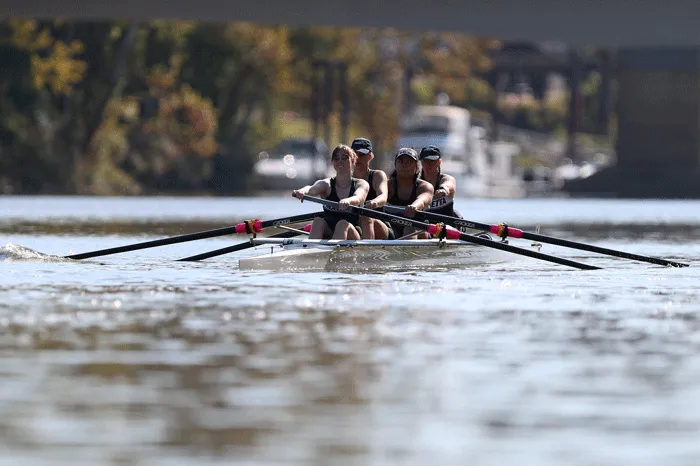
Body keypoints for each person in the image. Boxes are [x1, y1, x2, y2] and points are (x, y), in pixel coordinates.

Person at [292, 144, 369, 240]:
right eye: (336, 158)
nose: (340, 161)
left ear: (353, 161)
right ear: (333, 163)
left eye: (344, 158)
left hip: (352, 232)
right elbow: (311, 189)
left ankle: (332, 252)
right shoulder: (326, 184)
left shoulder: (361, 184)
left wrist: (348, 201)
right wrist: (302, 191)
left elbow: (358, 198)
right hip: (329, 231)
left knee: (342, 224)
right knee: (318, 221)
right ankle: (310, 250)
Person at [385, 147, 434, 239]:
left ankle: (408, 252)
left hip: (418, 228)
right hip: (392, 228)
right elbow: (379, 197)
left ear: (416, 167)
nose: (404, 165)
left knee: (410, 225)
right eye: (401, 162)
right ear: (395, 165)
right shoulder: (387, 185)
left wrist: (414, 206)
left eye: (409, 162)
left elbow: (422, 200)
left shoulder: (425, 187)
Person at [350, 137, 392, 239]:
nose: (357, 159)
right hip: (356, 226)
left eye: (361, 155)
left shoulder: (378, 175)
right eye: (355, 155)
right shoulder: (345, 178)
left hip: (380, 225)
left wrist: (375, 202)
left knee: (365, 216)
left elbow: (383, 196)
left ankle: (367, 252)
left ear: (370, 156)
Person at [418, 145, 462, 218]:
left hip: (446, 226)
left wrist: (443, 190)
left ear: (439, 162)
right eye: (426, 161)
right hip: (423, 227)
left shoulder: (447, 179)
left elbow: (448, 184)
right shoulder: (416, 183)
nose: (429, 164)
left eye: (432, 161)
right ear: (421, 162)